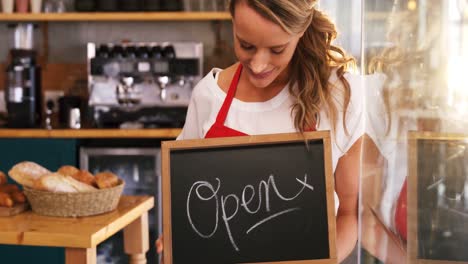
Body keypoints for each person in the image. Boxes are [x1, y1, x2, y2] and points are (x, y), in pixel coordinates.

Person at [158, 0, 364, 262]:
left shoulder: (339, 97)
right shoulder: (209, 96)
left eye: (277, 49)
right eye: (246, 45)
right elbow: (187, 205)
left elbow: (351, 212)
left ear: (300, 30)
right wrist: (178, 235)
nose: (257, 64)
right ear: (232, 21)